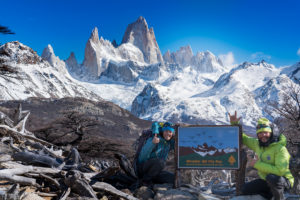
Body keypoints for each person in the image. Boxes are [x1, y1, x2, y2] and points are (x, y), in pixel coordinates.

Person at [228, 111, 294, 200]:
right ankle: (268, 195)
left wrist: (257, 164)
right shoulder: (258, 144)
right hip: (266, 180)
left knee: (272, 178)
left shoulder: (281, 149)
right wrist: (234, 124)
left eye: (265, 132)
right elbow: (243, 138)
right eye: (260, 133)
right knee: (245, 189)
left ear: (272, 132)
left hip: (283, 180)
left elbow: (280, 171)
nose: (263, 135)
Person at [136, 121, 175, 186]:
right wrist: (152, 143)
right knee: (161, 162)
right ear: (163, 131)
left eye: (170, 132)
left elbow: (176, 146)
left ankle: (152, 180)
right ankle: (145, 181)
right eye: (166, 131)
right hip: (142, 168)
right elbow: (142, 156)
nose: (168, 133)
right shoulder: (154, 139)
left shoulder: (168, 143)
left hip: (155, 171)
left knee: (173, 178)